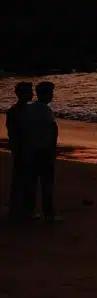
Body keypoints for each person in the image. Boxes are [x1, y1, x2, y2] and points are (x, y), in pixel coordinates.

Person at [24, 81, 59, 222]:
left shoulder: (29, 109)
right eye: (50, 93)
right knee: (47, 184)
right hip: (44, 151)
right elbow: (52, 131)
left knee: (32, 182)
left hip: (31, 150)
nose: (52, 95)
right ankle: (48, 213)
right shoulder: (45, 111)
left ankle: (30, 211)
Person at [5, 81, 33, 222]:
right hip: (22, 148)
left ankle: (20, 209)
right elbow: (15, 133)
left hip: (22, 148)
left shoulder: (18, 111)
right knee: (23, 179)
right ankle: (21, 210)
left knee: (22, 179)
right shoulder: (17, 112)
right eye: (29, 91)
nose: (32, 94)